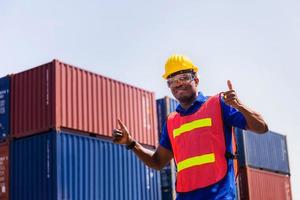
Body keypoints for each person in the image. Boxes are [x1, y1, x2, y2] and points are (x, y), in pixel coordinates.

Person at [112, 55, 268, 200]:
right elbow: (158, 161)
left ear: (196, 80)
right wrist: (131, 143)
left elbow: (261, 127)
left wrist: (239, 105)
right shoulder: (172, 121)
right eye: (171, 80)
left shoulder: (219, 104)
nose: (178, 83)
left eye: (184, 77)